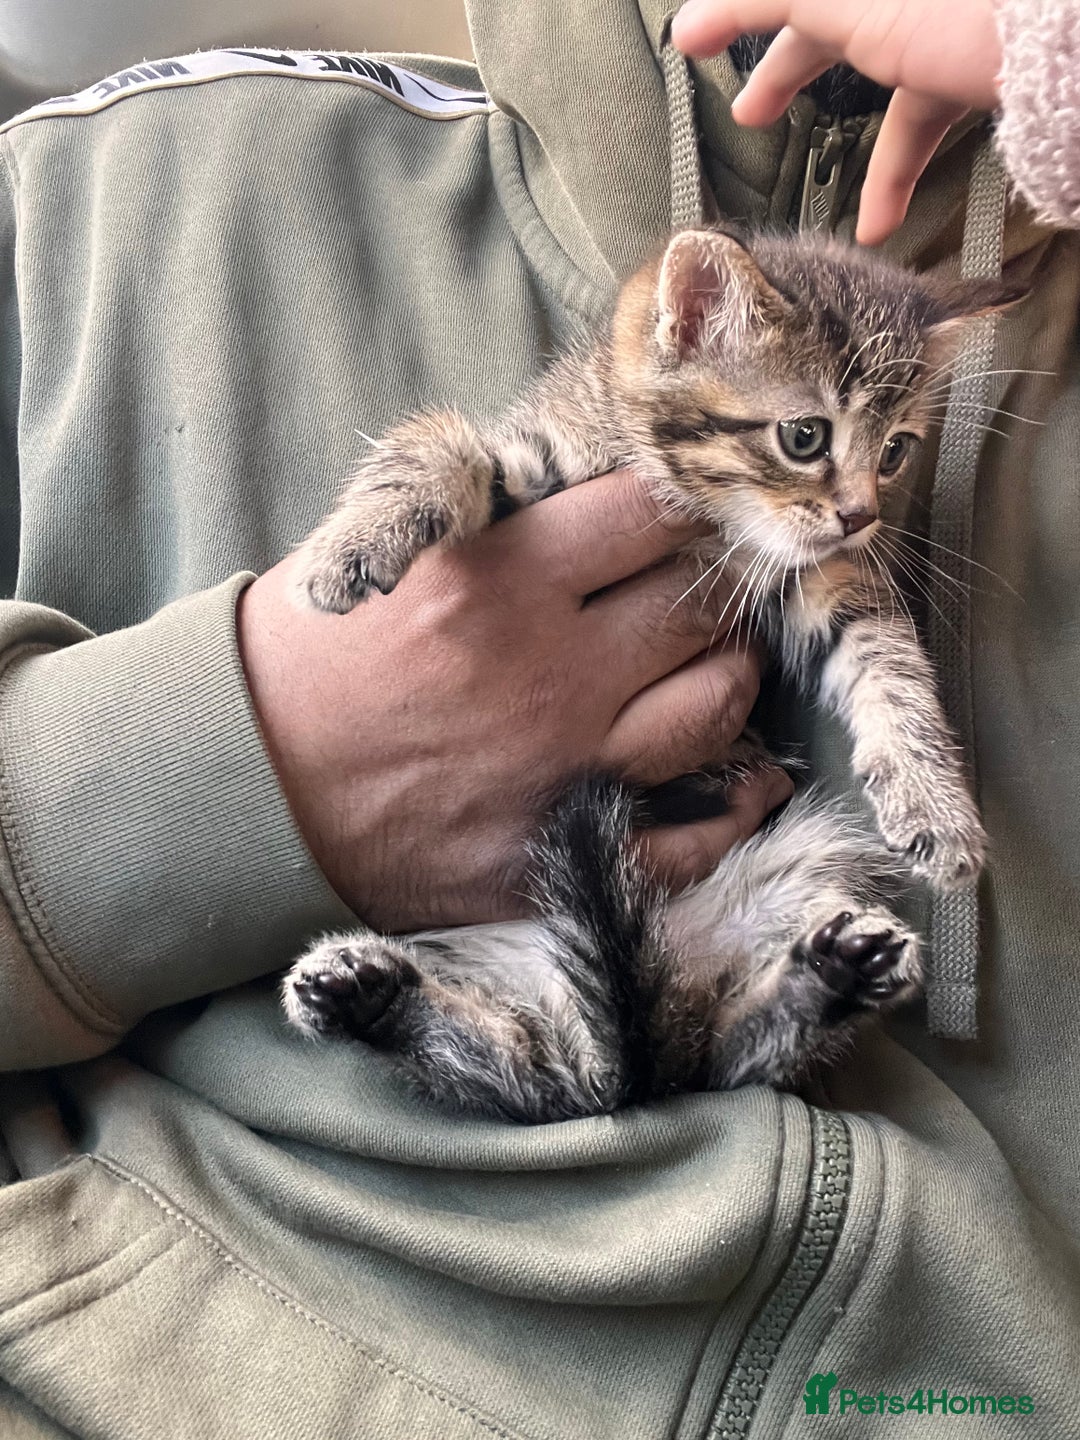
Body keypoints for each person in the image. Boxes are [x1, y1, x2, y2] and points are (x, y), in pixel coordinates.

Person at [0, 0, 1077, 1433]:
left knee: (808, 888)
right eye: (822, 450)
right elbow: (477, 460)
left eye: (885, 456)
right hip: (197, 1365)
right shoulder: (114, 182)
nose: (860, 502)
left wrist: (1053, 62)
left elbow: (857, 609)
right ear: (687, 321)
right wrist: (244, 757)